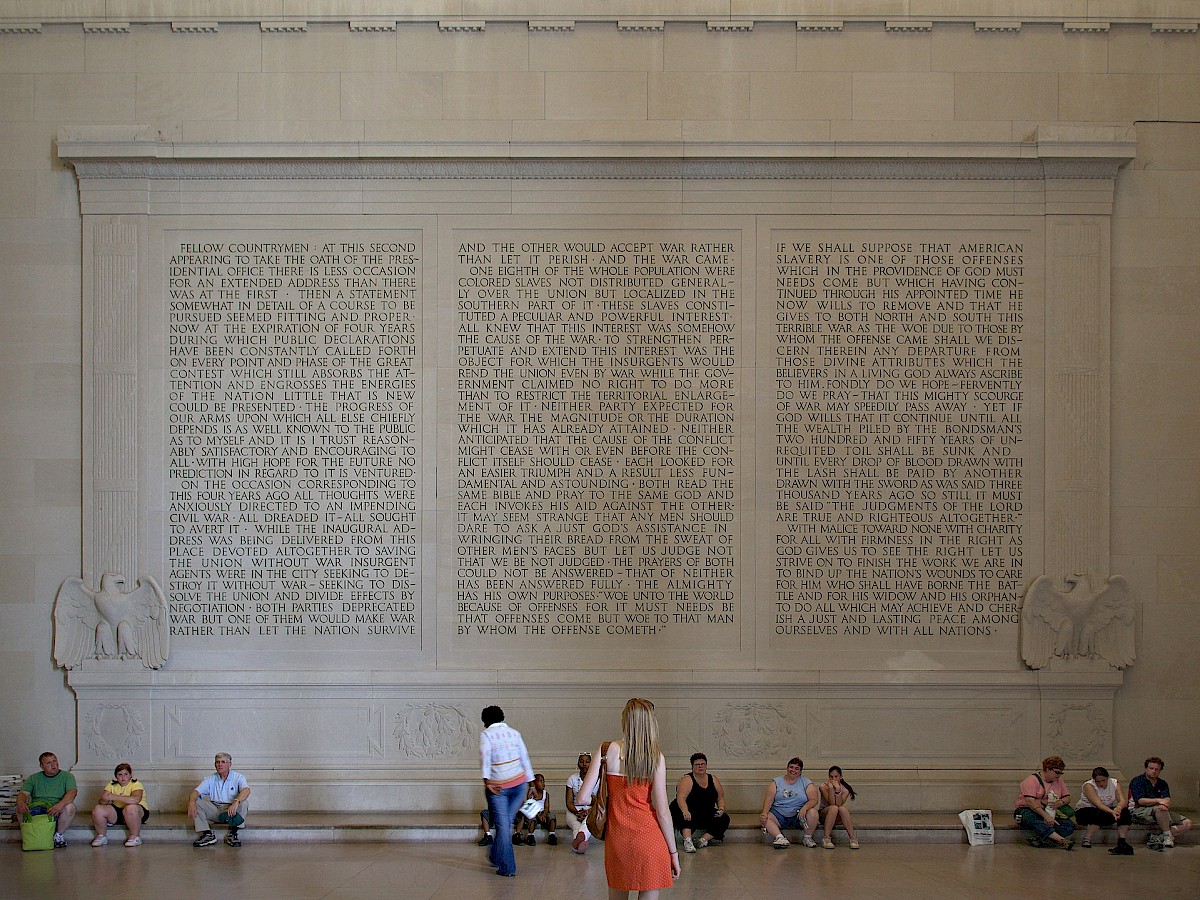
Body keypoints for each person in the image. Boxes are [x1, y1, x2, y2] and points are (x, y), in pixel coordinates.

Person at [578, 698, 680, 900]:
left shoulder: (607, 750)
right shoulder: (656, 758)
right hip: (650, 839)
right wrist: (673, 853)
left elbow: (582, 797)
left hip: (618, 840)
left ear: (625, 721)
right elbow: (662, 812)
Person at [480, 705, 534, 877]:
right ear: (502, 717)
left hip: (498, 788)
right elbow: (524, 757)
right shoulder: (514, 733)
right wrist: (531, 785)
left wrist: (486, 781)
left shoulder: (486, 735)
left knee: (503, 828)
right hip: (519, 785)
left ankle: (507, 868)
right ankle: (496, 856)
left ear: (485, 721)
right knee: (505, 826)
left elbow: (485, 758)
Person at [669, 752, 730, 852]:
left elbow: (720, 798)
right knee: (685, 813)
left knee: (724, 818)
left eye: (703, 764)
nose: (700, 767)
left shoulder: (713, 779)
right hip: (687, 809)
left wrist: (721, 809)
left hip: (705, 811)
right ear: (692, 767)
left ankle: (703, 840)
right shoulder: (687, 779)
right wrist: (685, 810)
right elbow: (681, 798)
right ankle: (687, 840)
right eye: (697, 764)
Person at [16, 751, 78, 849]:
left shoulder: (67, 776)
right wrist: (21, 802)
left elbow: (72, 793)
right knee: (19, 808)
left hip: (56, 808)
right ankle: (28, 835)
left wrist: (60, 805)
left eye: (54, 761)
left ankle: (58, 836)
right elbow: (23, 793)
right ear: (41, 766)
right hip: (37, 807)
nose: (53, 765)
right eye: (49, 763)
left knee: (70, 807)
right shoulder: (34, 778)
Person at [1127, 756, 1192, 849]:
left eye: (1157, 769)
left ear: (1160, 770)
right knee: (1159, 809)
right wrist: (1159, 801)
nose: (1154, 771)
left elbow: (1167, 799)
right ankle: (1167, 836)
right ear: (1146, 768)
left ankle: (1159, 837)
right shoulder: (1138, 781)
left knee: (1187, 823)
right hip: (1138, 810)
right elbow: (1140, 801)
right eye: (1151, 768)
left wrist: (1164, 803)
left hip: (1160, 810)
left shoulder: (1162, 783)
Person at [187, 752, 250, 847]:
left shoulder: (238, 777)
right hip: (216, 809)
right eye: (217, 762)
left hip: (232, 810)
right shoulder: (210, 779)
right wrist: (191, 802)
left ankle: (233, 833)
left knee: (244, 803)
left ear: (230, 764)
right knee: (197, 803)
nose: (220, 764)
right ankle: (207, 835)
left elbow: (246, 790)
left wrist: (236, 802)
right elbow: (196, 792)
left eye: (223, 762)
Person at [1014, 755, 1075, 849]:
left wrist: (1060, 802)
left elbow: (1067, 797)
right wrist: (1046, 816)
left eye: (1061, 773)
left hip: (1050, 810)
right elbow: (1030, 802)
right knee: (1036, 821)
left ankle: (1039, 839)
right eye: (1057, 772)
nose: (1058, 775)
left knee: (1069, 825)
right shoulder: (1031, 780)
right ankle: (1061, 840)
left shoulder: (1059, 781)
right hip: (1028, 810)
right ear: (1047, 769)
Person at [759, 757, 819, 849]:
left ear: (800, 771)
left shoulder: (806, 782)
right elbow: (769, 798)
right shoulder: (776, 782)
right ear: (787, 768)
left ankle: (807, 837)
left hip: (799, 815)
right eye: (791, 767)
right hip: (779, 813)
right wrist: (764, 812)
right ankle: (780, 837)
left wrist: (805, 807)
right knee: (766, 817)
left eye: (796, 768)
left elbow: (814, 799)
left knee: (813, 813)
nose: (793, 770)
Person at [90, 762, 149, 847]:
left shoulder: (136, 784)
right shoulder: (111, 785)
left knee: (130, 808)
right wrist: (107, 798)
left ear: (130, 775)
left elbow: (135, 799)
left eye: (126, 774)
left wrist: (114, 797)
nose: (123, 777)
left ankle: (135, 836)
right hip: (118, 812)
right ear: (116, 776)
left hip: (137, 811)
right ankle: (101, 836)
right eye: (120, 775)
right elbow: (103, 800)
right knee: (98, 809)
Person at [1074, 766, 1131, 853]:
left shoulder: (1114, 783)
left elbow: (1122, 800)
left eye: (1103, 781)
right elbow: (1098, 804)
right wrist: (1112, 811)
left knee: (1125, 812)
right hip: (1087, 810)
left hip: (1107, 810)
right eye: (1098, 781)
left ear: (1107, 778)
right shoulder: (1089, 785)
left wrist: (1118, 808)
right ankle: (1087, 839)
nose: (1101, 784)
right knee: (1097, 813)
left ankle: (1122, 841)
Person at [818, 765, 859, 849]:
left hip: (837, 816)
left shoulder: (845, 790)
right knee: (834, 808)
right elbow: (832, 803)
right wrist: (831, 789)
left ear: (841, 777)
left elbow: (839, 804)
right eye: (831, 777)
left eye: (836, 776)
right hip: (825, 814)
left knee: (842, 808)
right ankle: (826, 838)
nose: (833, 779)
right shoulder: (823, 787)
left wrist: (837, 790)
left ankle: (852, 838)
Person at [513, 772, 558, 845]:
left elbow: (546, 807)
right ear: (534, 783)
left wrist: (543, 815)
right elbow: (531, 806)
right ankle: (530, 836)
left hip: (543, 812)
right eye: (540, 781)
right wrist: (537, 815)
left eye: (544, 781)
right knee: (531, 819)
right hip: (534, 812)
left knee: (552, 817)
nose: (543, 783)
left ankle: (552, 835)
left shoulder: (545, 794)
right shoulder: (531, 794)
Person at [565, 750, 593, 853]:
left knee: (587, 823)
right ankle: (581, 841)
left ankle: (576, 844)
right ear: (578, 763)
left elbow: (598, 801)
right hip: (574, 810)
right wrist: (578, 812)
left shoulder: (596, 779)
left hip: (590, 810)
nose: (584, 764)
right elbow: (568, 802)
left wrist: (586, 812)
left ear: (591, 764)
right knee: (576, 825)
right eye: (581, 761)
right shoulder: (572, 779)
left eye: (587, 761)